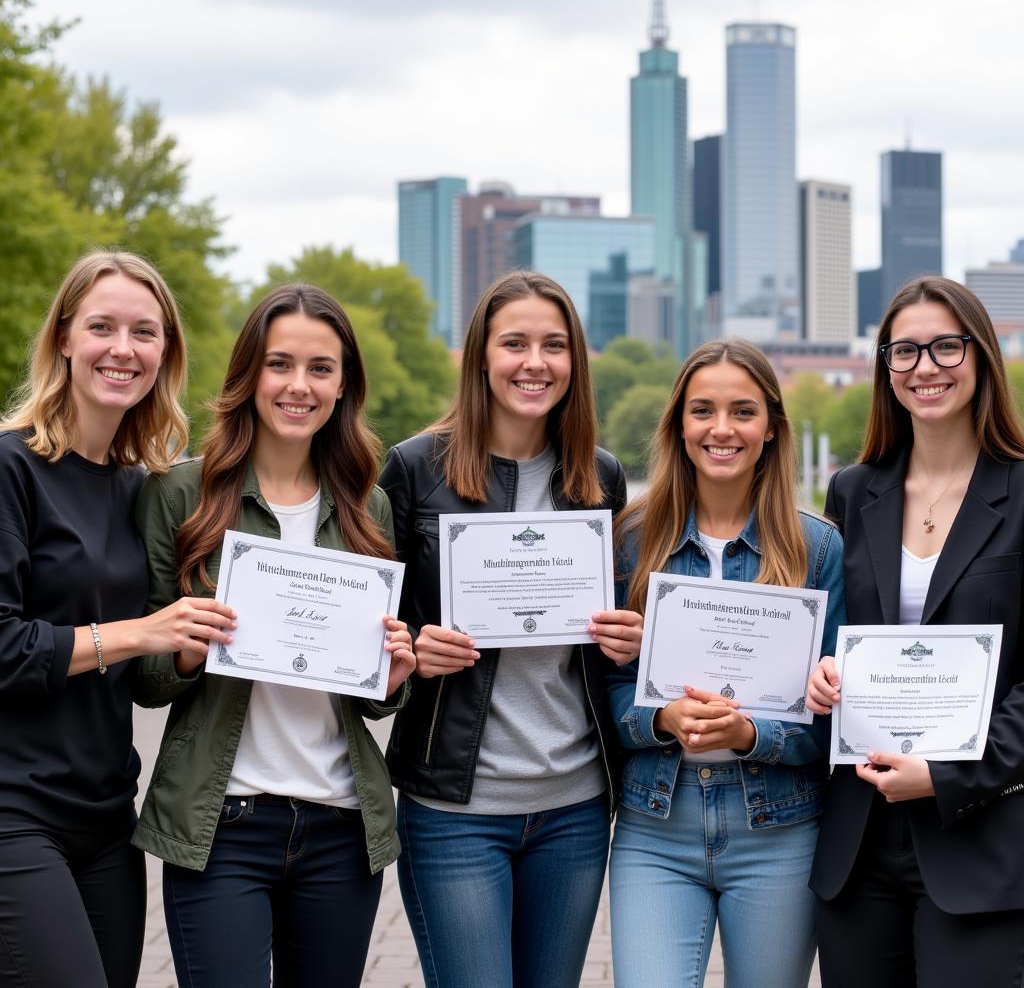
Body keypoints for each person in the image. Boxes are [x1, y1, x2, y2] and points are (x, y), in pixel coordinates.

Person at [131, 284, 415, 988]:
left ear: (344, 384)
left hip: (341, 825)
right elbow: (145, 681)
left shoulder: (367, 507)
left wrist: (393, 675)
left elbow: (371, 700)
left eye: (321, 368)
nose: (299, 385)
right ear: (249, 374)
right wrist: (188, 649)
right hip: (221, 824)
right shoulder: (180, 493)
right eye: (279, 363)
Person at [380, 271, 639, 988]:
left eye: (554, 345)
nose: (535, 362)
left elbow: (614, 640)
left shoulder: (601, 476)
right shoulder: (412, 469)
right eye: (515, 343)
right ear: (481, 356)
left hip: (575, 808)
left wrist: (633, 640)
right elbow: (373, 626)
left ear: (574, 362)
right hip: (454, 807)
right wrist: (412, 645)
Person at [0, 251, 237, 987]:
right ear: (64, 338)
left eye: (145, 331)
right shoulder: (11, 468)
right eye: (102, 327)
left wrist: (203, 642)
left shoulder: (143, 488)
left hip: (107, 816)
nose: (123, 349)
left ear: (166, 350)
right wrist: (143, 632)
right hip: (13, 813)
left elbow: (144, 683)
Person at [607, 339, 846, 988]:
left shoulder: (817, 548)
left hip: (780, 828)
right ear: (679, 425)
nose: (721, 429)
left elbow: (836, 718)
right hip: (657, 824)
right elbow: (604, 688)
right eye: (702, 410)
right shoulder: (631, 540)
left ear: (771, 428)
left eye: (742, 411)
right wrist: (660, 720)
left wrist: (752, 735)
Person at [807, 276, 1024, 986]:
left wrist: (950, 774)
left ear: (981, 357)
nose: (925, 367)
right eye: (905, 351)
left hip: (981, 837)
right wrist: (817, 673)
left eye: (945, 347)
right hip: (858, 839)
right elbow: (836, 635)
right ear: (885, 368)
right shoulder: (852, 490)